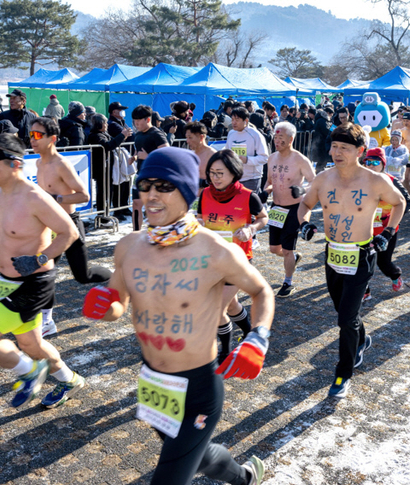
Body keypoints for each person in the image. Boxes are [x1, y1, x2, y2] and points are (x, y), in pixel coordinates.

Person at [84, 147, 271, 485]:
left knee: (171, 475)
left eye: (164, 187)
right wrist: (103, 306)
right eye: (145, 185)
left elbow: (261, 291)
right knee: (194, 455)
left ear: (186, 193)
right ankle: (244, 477)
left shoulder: (214, 250)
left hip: (199, 386)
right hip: (154, 380)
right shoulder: (128, 246)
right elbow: (118, 306)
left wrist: (257, 338)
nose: (152, 196)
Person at [0, 134, 84, 408]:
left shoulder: (35, 198)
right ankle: (70, 379)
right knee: (32, 346)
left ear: (16, 164)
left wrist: (39, 258)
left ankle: (29, 372)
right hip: (6, 280)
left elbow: (69, 232)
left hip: (34, 282)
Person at [297, 123, 405, 398]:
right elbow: (305, 204)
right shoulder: (323, 179)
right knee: (346, 314)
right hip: (332, 254)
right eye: (334, 146)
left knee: (345, 319)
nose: (337, 152)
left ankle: (343, 372)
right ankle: (362, 338)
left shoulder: (374, 180)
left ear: (359, 151)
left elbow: (400, 202)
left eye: (344, 148)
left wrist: (389, 232)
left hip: (360, 255)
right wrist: (305, 224)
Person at [31, 117, 112, 336]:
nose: (32, 139)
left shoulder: (61, 165)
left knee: (83, 275)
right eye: (31, 134)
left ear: (52, 139)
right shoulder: (38, 162)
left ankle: (115, 279)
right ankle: (47, 321)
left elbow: (84, 196)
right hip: (51, 226)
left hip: (69, 225)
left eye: (38, 135)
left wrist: (54, 198)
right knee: (44, 271)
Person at [196, 149, 267, 363]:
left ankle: (225, 352)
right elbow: (199, 216)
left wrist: (251, 229)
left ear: (234, 173)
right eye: (212, 173)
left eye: (220, 173)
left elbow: (263, 217)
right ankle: (248, 333)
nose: (215, 178)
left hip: (237, 262)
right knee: (232, 304)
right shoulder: (205, 194)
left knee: (217, 308)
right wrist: (197, 224)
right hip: (211, 261)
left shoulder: (248, 196)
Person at [263, 122, 315, 297]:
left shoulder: (300, 159)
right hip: (277, 208)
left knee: (286, 250)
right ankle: (293, 257)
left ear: (291, 139)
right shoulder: (272, 158)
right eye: (275, 138)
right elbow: (269, 181)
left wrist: (302, 190)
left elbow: (315, 182)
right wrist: (265, 192)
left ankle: (288, 281)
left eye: (281, 138)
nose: (277, 141)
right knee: (273, 249)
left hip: (294, 208)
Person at [362, 147, 410, 297]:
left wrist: (391, 220)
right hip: (365, 230)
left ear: (383, 164)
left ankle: (395, 275)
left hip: (386, 232)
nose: (370, 165)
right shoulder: (360, 181)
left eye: (375, 162)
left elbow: (407, 202)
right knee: (362, 262)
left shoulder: (391, 181)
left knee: (383, 263)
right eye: (367, 162)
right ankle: (364, 291)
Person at [87, 113, 133, 219]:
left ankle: (109, 213)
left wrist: (124, 135)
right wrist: (122, 135)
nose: (107, 125)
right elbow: (108, 145)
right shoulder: (95, 136)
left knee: (109, 191)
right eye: (104, 123)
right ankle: (102, 216)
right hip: (101, 169)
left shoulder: (103, 134)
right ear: (99, 124)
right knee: (103, 193)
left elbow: (113, 141)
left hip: (108, 168)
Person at [131, 105, 169, 231]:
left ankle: (157, 233)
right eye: (134, 121)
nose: (136, 124)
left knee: (153, 207)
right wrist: (135, 157)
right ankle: (136, 233)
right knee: (136, 204)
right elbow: (139, 151)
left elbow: (167, 153)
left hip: (155, 176)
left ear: (148, 120)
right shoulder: (138, 135)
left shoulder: (157, 134)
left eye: (138, 121)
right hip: (141, 174)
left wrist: (148, 156)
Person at [225, 107, 270, 193]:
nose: (233, 122)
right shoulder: (231, 134)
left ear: (245, 120)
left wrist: (247, 160)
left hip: (251, 179)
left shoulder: (255, 135)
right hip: (235, 178)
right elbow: (227, 152)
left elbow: (264, 158)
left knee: (249, 205)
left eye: (237, 120)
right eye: (232, 119)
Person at [185, 121, 217, 196]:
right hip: (191, 198)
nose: (187, 141)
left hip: (208, 197)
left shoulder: (213, 155)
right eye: (186, 137)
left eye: (190, 137)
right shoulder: (189, 155)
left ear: (201, 137)